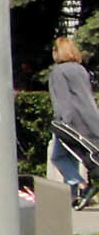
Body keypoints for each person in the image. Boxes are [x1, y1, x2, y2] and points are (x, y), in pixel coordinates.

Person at [49, 37, 99, 202]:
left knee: (58, 157)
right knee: (73, 156)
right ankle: (73, 197)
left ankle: (83, 186)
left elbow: (62, 100)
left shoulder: (58, 72)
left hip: (70, 122)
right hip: (90, 119)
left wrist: (60, 122)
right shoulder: (81, 70)